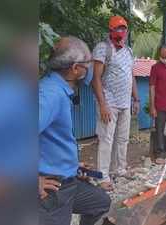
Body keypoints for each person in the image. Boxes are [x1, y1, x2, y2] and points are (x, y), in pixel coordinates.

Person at [39, 36, 111, 225]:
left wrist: (72, 165)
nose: (90, 69)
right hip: (54, 187)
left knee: (100, 203)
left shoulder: (58, 90)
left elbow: (50, 138)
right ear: (75, 68)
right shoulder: (50, 94)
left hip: (68, 178)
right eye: (88, 64)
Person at [92, 15, 140, 191]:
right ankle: (102, 177)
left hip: (125, 103)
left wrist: (136, 98)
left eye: (124, 28)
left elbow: (131, 76)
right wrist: (103, 104)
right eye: (118, 28)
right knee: (106, 139)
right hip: (109, 103)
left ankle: (119, 169)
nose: (122, 31)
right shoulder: (103, 49)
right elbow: (95, 79)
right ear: (111, 31)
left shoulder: (128, 51)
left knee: (122, 139)